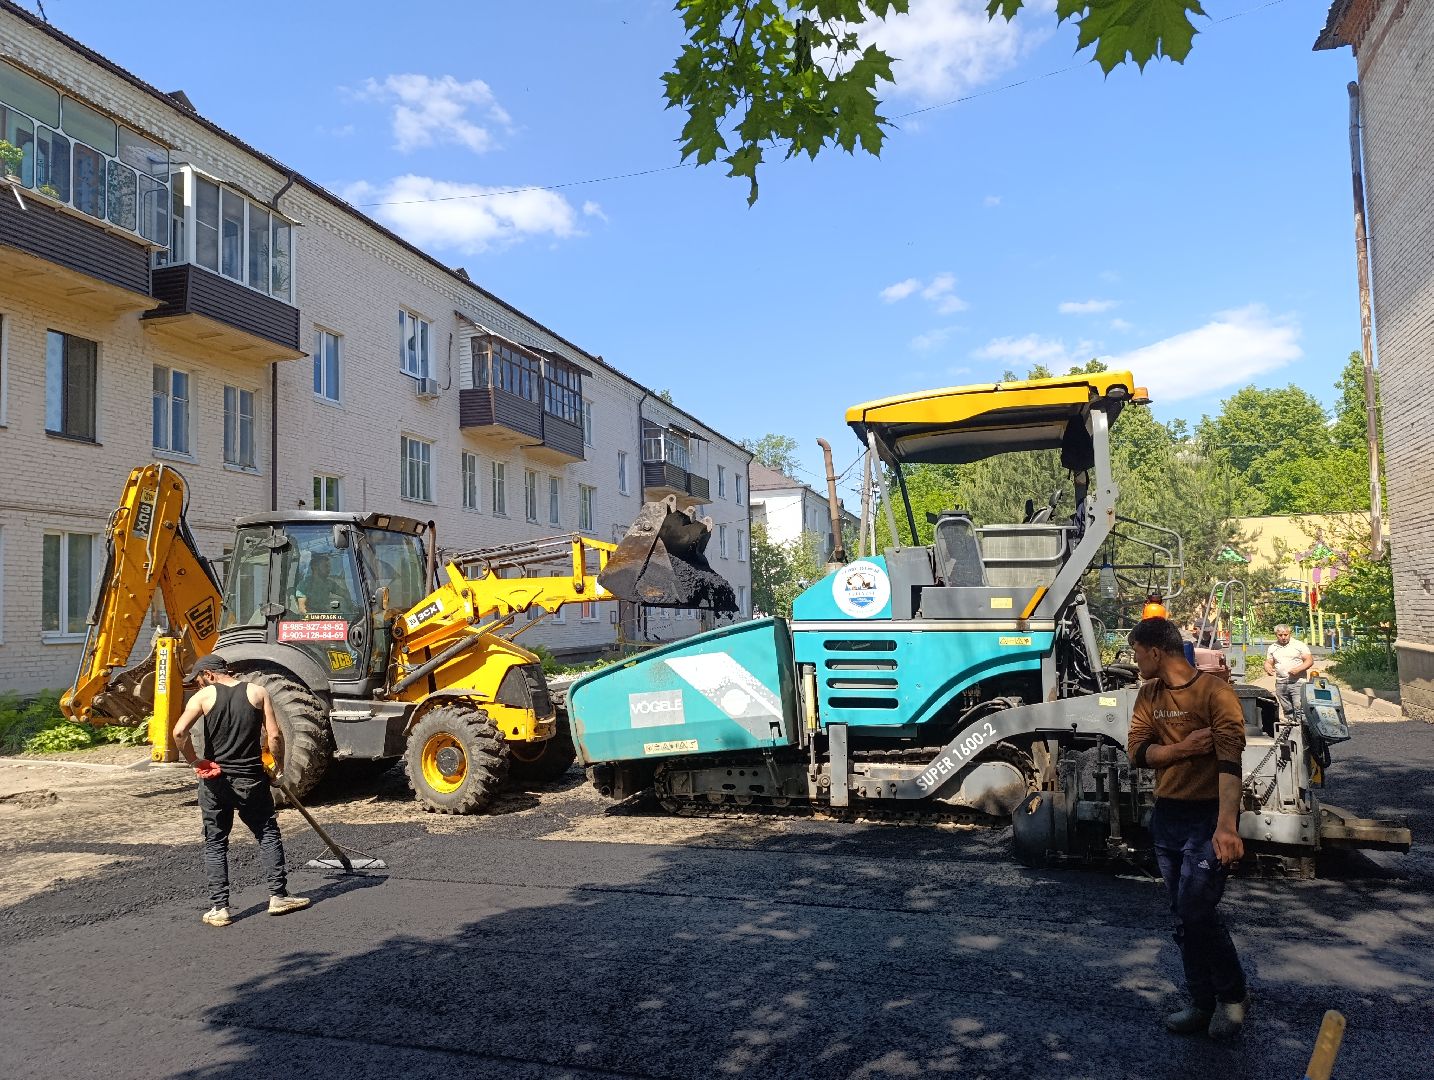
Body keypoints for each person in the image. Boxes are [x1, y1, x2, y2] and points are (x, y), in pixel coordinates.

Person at [1126, 616, 1250, 1040]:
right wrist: (1183, 749)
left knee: (1197, 909)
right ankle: (1201, 1002)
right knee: (1183, 914)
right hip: (1168, 816)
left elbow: (1230, 762)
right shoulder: (1148, 695)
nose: (1135, 660)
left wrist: (1227, 827)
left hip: (1207, 816)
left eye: (1137, 652)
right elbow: (1137, 752)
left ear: (1156, 651)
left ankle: (1231, 999)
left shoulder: (1216, 693)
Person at [173, 655, 310, 927]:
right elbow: (274, 736)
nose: (199, 685)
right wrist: (278, 769)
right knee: (267, 833)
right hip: (251, 778)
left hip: (215, 781)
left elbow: (179, 733)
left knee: (215, 842)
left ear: (209, 675)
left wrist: (196, 762)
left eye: (199, 679)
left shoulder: (203, 698)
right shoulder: (258, 692)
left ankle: (220, 909)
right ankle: (278, 896)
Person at [1264, 624, 1314, 722]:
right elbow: (1269, 661)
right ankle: (1291, 731)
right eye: (1280, 635)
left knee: (1299, 709)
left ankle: (1303, 732)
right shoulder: (1272, 647)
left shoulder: (1299, 645)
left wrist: (1298, 669)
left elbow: (1309, 661)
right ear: (1276, 635)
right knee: (1287, 710)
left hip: (1297, 682)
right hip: (1281, 683)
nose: (1283, 637)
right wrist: (1267, 667)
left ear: (1290, 634)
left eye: (1286, 635)